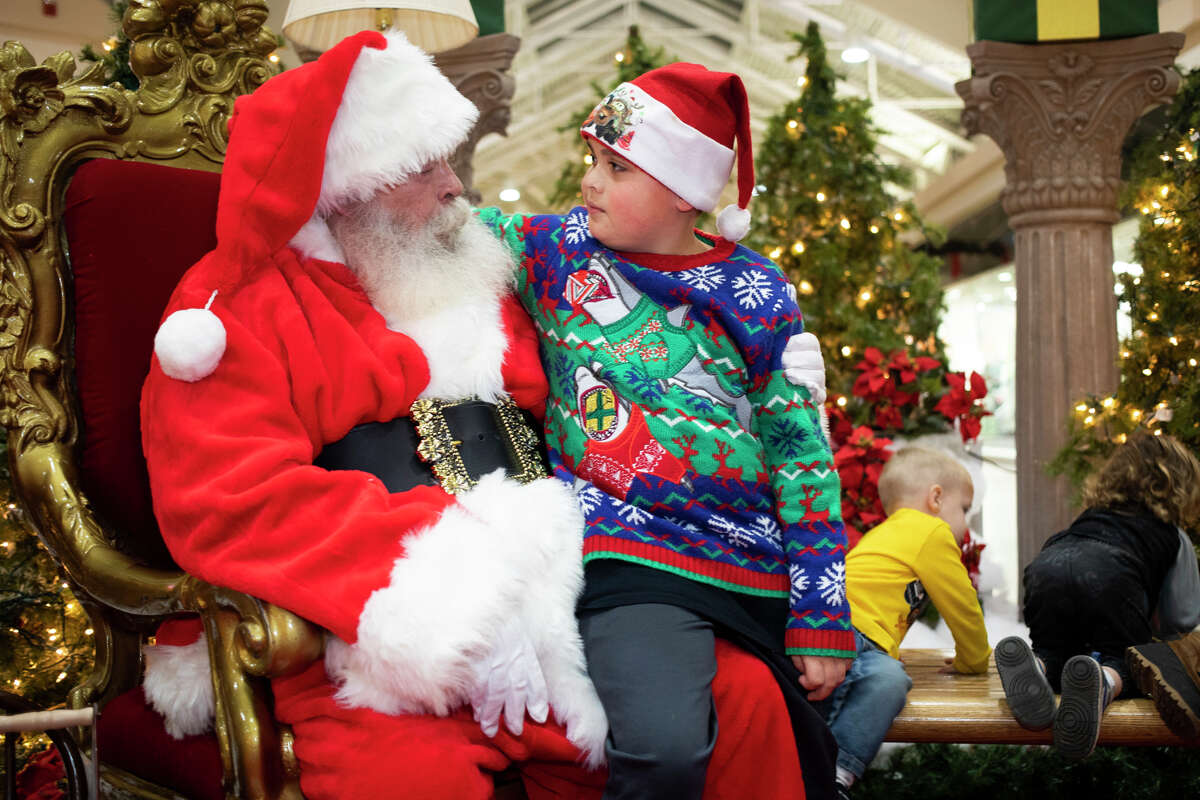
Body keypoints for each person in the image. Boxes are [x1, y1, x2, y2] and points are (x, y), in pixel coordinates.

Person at [139, 31, 827, 800]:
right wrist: (454, 594)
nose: (454, 188)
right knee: (412, 783)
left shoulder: (467, 265)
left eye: (449, 161)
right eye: (424, 167)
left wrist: (760, 369)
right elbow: (229, 497)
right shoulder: (235, 309)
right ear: (348, 188)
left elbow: (616, 363)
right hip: (372, 639)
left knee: (744, 705)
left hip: (566, 602)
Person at [476, 62, 852, 800]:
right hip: (631, 558)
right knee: (666, 751)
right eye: (592, 160)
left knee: (863, 686)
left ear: (684, 193)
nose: (589, 181)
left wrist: (822, 615)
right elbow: (444, 227)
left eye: (616, 167)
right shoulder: (556, 252)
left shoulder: (756, 289)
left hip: (752, 567)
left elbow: (802, 457)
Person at [996, 432, 1200, 760]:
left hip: (1048, 563)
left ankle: (1037, 666)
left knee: (1053, 650)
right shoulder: (1172, 537)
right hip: (1113, 573)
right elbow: (1181, 619)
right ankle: (1104, 680)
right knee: (1128, 660)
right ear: (1179, 487)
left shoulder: (1091, 516)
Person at [820, 445, 989, 798]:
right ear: (936, 499)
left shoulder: (882, 534)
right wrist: (973, 661)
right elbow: (964, 607)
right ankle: (811, 770)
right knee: (826, 711)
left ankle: (837, 776)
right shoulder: (930, 531)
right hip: (843, 631)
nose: (966, 524)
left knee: (891, 680)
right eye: (964, 509)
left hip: (855, 639)